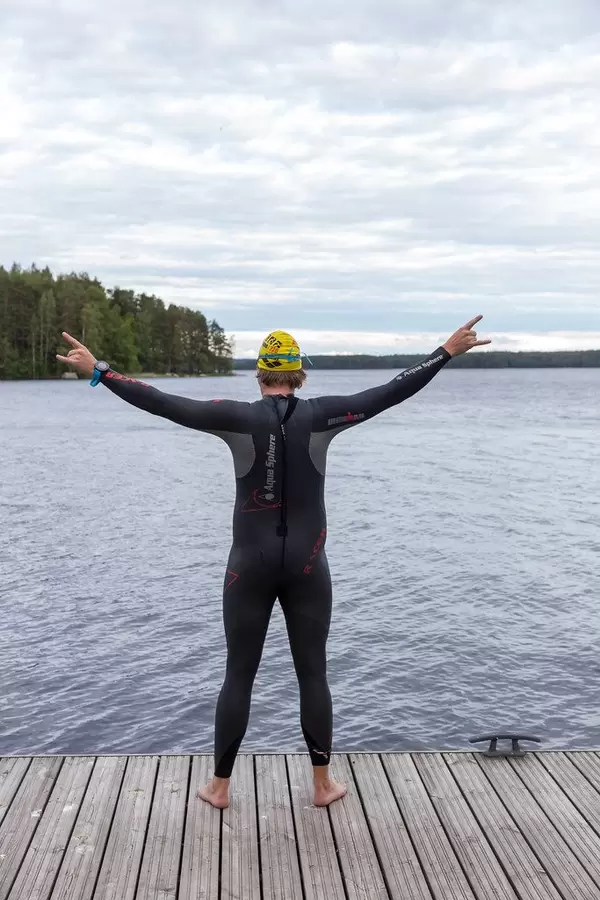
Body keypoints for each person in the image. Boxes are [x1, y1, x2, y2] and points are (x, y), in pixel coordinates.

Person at [57, 315, 491, 808]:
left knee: (238, 674)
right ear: (299, 374)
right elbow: (389, 392)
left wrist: (102, 370)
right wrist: (445, 352)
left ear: (261, 374)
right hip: (308, 563)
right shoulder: (325, 414)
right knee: (314, 674)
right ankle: (323, 785)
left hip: (250, 564)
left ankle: (219, 787)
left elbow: (164, 402)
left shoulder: (237, 417)